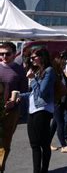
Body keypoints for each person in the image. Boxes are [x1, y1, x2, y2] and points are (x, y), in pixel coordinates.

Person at [26, 49, 56, 173]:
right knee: (34, 144)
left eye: (34, 57)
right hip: (33, 109)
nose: (32, 60)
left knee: (43, 143)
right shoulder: (38, 71)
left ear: (42, 57)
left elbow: (42, 93)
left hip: (43, 109)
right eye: (31, 58)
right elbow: (33, 93)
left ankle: (43, 170)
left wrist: (33, 80)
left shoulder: (49, 71)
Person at [0, 42, 28, 172]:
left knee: (5, 143)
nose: (4, 56)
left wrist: (15, 101)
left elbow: (24, 92)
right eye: (1, 54)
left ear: (14, 53)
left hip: (10, 112)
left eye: (7, 54)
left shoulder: (20, 70)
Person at [50, 51, 67, 153]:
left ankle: (47, 142)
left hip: (61, 100)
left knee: (55, 124)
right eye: (63, 64)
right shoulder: (54, 74)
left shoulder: (60, 73)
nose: (64, 66)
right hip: (57, 101)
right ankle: (64, 146)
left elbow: (65, 83)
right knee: (60, 123)